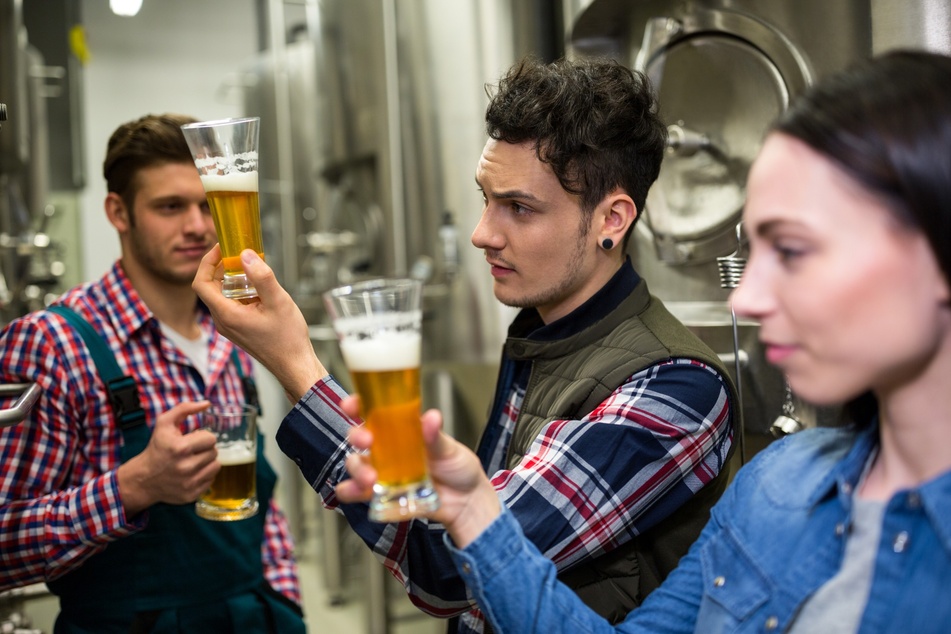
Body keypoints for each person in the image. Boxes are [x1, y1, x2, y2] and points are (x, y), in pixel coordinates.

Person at [337, 49, 951, 633]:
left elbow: (439, 569)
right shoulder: (779, 487)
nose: (746, 298)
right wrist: (473, 510)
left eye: (792, 249)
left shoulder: (677, 382)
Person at [194, 57, 736, 632]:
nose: (482, 234)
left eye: (519, 208)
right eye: (486, 198)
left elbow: (451, 568)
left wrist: (296, 363)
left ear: (613, 218)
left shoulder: (675, 390)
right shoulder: (540, 333)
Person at [0, 114, 307, 633]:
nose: (199, 226)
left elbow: (260, 507)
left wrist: (285, 603)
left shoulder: (229, 332)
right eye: (170, 207)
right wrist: (132, 487)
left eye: (208, 205)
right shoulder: (53, 343)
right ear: (118, 212)